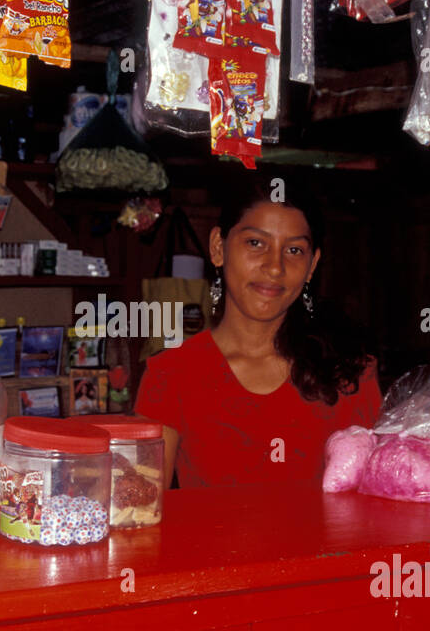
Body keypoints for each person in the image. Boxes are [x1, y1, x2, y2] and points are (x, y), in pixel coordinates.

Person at [135, 174, 381, 488]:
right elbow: (141, 509)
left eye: (294, 251)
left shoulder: (349, 372)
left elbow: (377, 499)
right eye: (255, 243)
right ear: (218, 248)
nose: (274, 267)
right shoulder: (170, 375)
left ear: (312, 265)